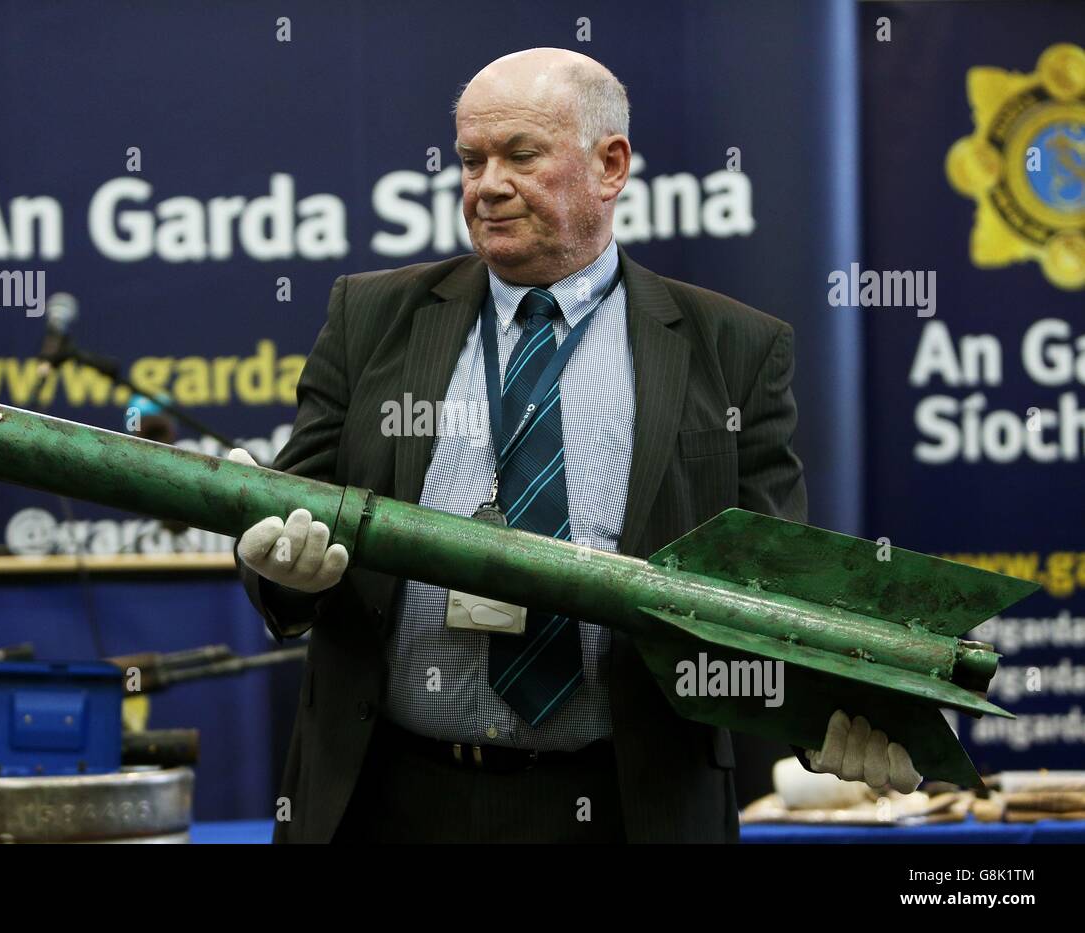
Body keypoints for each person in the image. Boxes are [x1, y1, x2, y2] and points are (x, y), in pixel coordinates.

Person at [230, 48, 920, 843]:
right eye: (470, 160)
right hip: (388, 799)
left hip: (629, 805)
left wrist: (834, 716)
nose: (487, 184)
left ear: (611, 165)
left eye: (520, 155)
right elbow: (293, 521)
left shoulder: (735, 348)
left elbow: (770, 587)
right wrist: (279, 574)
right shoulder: (370, 318)